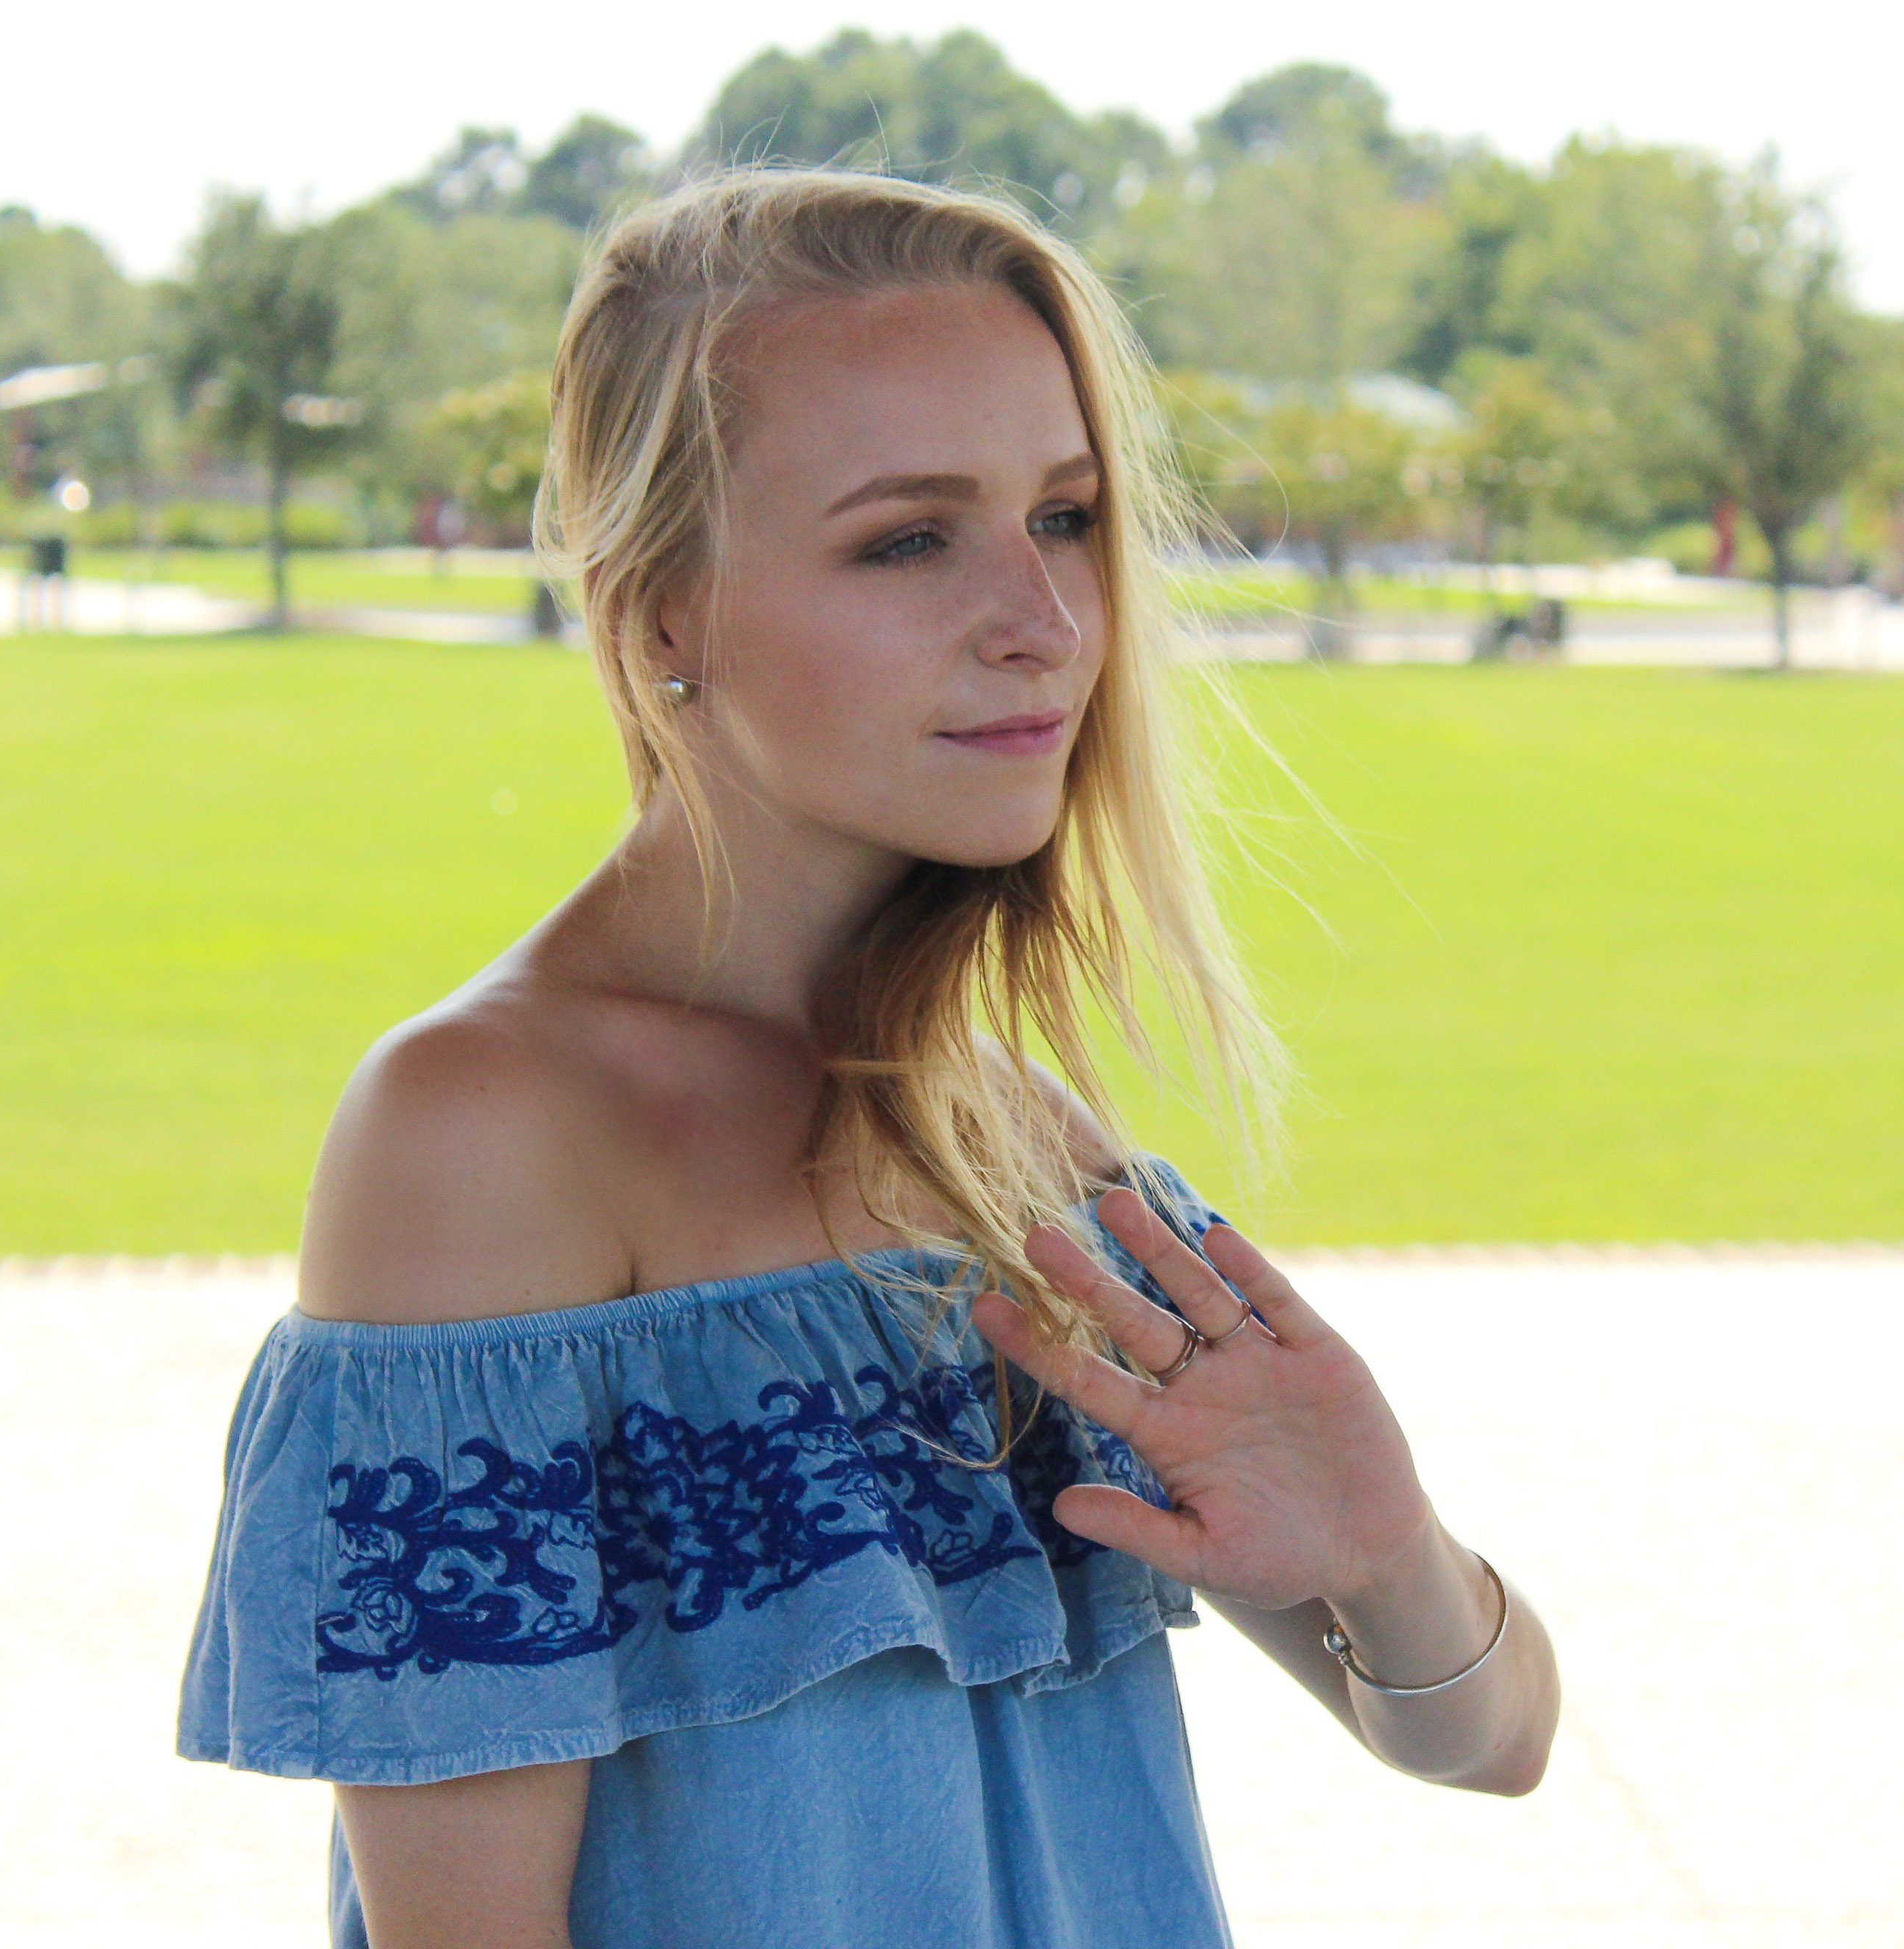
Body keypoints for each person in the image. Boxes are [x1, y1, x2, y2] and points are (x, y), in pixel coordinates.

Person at [176, 165, 1558, 1949]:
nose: (1042, 622)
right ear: (661, 612)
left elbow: (1485, 1743)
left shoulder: (1014, 1142)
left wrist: (1387, 1551)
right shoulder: (485, 1136)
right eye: (910, 538)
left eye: (1064, 519)